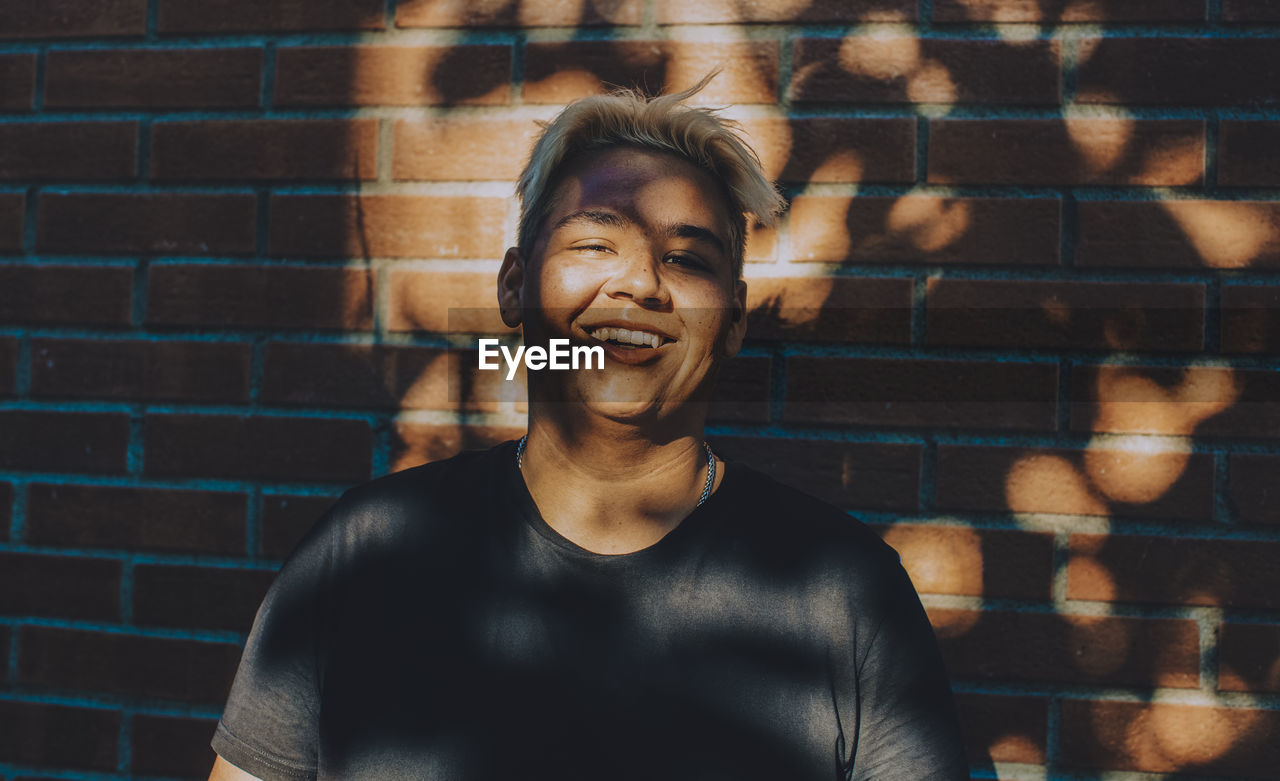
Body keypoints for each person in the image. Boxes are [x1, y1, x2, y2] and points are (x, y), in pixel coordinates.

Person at [208, 81, 971, 781]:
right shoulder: (362, 553)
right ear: (513, 285)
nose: (639, 282)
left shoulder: (847, 596)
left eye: (684, 257)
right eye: (595, 242)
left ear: (733, 320)